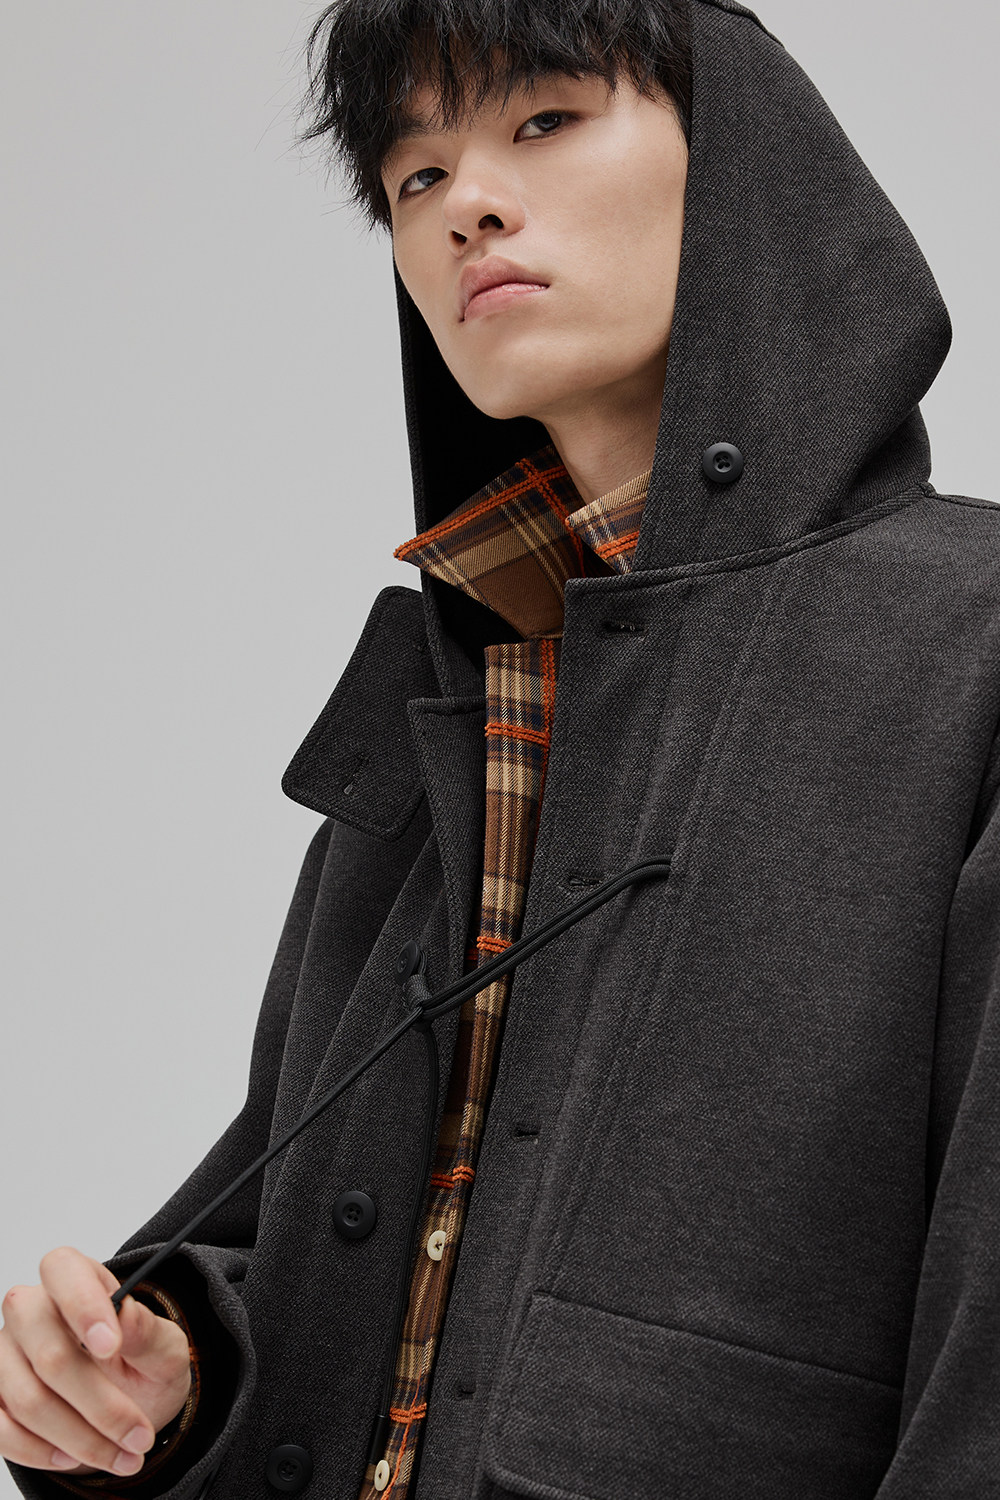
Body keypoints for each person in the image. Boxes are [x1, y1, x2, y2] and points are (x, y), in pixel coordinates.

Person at [3, 0, 999, 1495]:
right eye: (414, 176)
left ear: (744, 157)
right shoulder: (459, 680)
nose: (465, 204)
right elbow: (305, 1220)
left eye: (543, 120)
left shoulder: (971, 641)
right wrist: (164, 1376)